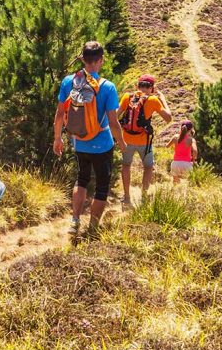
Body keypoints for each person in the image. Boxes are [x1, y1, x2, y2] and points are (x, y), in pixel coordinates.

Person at [53, 41, 124, 240]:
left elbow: (60, 114)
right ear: (101, 61)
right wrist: (122, 143)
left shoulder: (69, 82)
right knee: (102, 186)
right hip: (102, 145)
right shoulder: (108, 87)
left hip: (79, 141)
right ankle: (92, 227)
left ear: (83, 59)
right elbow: (113, 121)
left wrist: (58, 138)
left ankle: (75, 221)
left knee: (81, 179)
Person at [118, 74, 172, 205]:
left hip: (126, 139)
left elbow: (115, 115)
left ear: (138, 86)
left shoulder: (127, 97)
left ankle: (126, 197)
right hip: (144, 142)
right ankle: (144, 195)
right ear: (152, 88)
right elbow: (168, 118)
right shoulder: (153, 100)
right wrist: (163, 99)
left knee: (126, 166)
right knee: (148, 167)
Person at [167, 120, 198, 184]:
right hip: (187, 164)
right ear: (191, 129)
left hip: (175, 164)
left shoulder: (175, 137)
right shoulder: (191, 139)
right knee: (188, 184)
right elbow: (195, 151)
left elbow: (167, 146)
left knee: (175, 183)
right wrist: (194, 160)